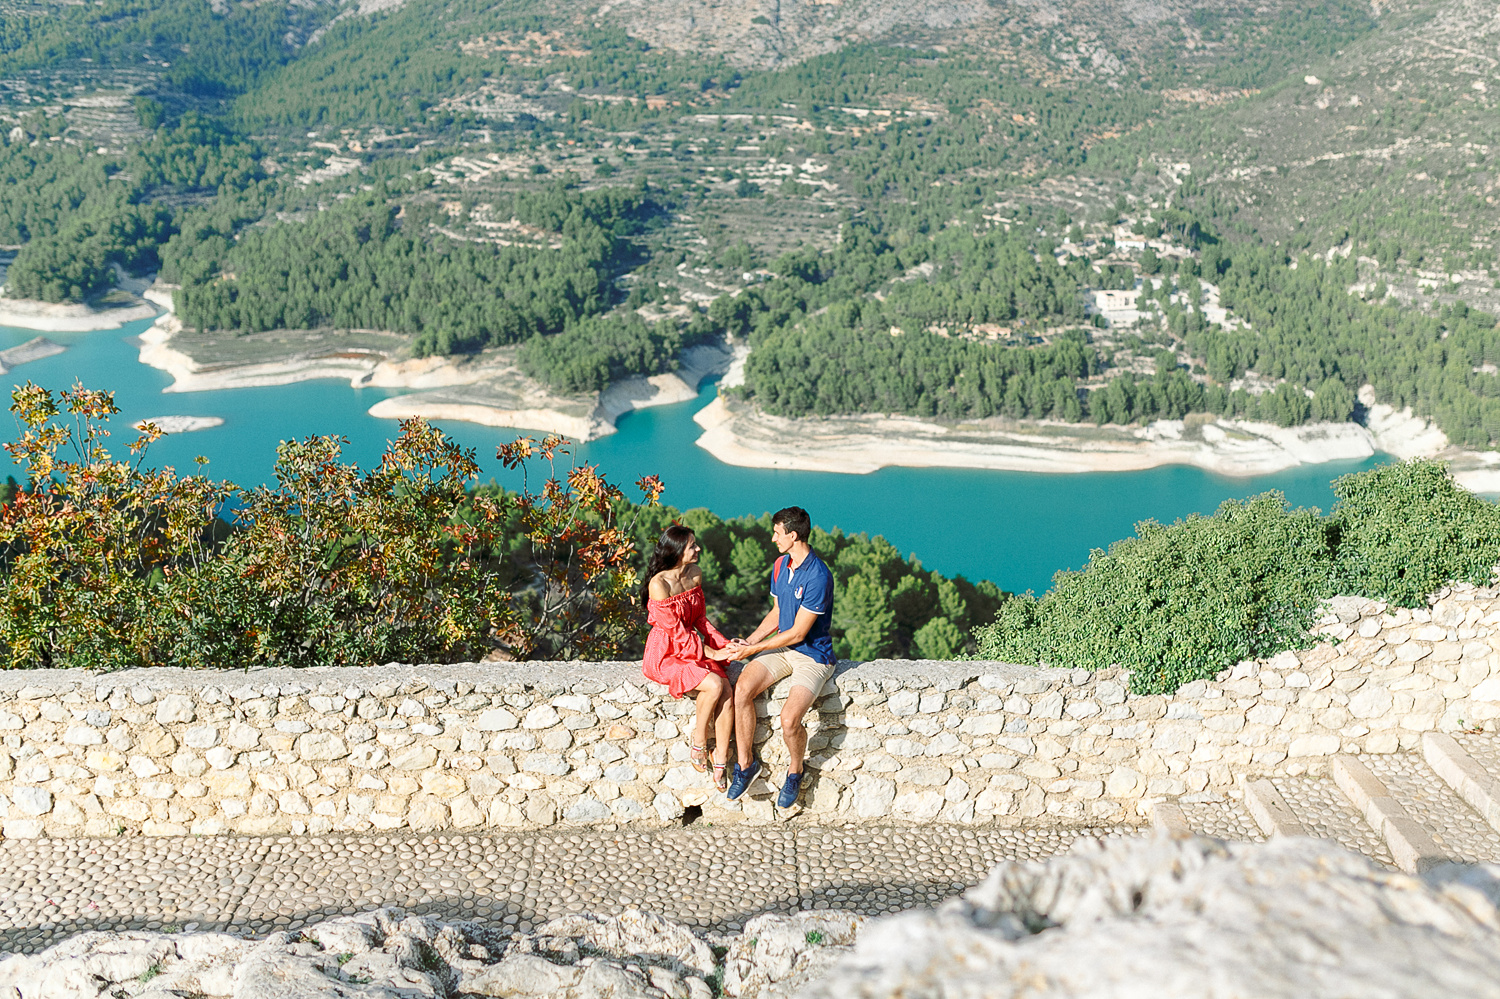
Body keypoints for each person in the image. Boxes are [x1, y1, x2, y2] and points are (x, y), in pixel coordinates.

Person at [723, 506, 835, 808]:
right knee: (742, 689)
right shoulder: (780, 565)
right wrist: (750, 641)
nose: (773, 538)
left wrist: (753, 650)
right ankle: (746, 766)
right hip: (782, 649)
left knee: (789, 720)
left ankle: (795, 771)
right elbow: (776, 614)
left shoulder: (818, 576)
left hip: (812, 656)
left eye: (777, 533)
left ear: (793, 535)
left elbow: (799, 633)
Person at [641, 524, 737, 792]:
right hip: (667, 652)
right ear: (676, 551)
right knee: (715, 685)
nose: (698, 549)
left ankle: (720, 756)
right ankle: (698, 743)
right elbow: (678, 633)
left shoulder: (695, 574)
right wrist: (713, 654)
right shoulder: (658, 585)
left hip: (691, 647)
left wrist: (725, 646)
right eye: (692, 545)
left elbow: (700, 621)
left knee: (727, 689)